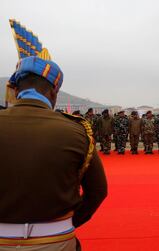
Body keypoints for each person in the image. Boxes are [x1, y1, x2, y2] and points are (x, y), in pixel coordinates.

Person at [0, 56, 107, 250]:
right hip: (55, 240)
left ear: (16, 91)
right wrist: (67, 224)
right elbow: (98, 191)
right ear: (53, 92)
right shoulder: (77, 130)